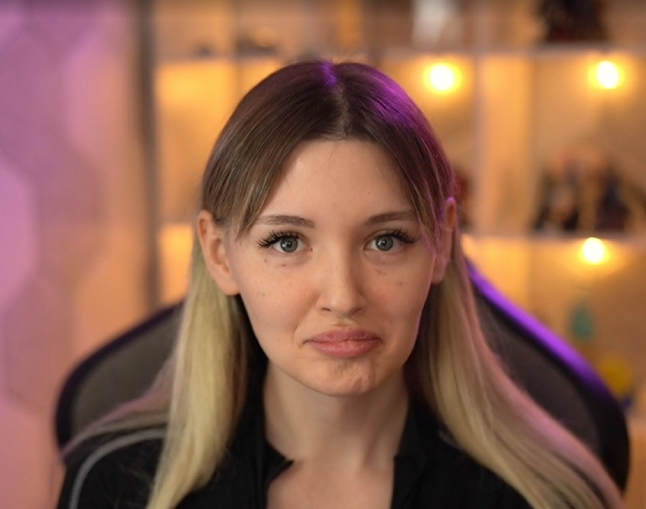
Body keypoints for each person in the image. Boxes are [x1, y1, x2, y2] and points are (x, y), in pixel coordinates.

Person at [56, 60, 624, 509]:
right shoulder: (114, 487)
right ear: (219, 254)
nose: (344, 297)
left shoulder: (547, 497)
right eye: (287, 242)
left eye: (386, 240)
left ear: (442, 242)